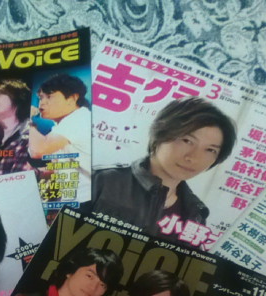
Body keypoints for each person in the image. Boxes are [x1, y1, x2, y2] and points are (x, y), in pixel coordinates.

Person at [87, 96, 236, 239]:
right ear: (160, 134)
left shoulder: (196, 213)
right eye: (186, 140)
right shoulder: (101, 180)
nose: (194, 158)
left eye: (210, 150)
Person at [29, 73, 92, 201]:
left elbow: (38, 151)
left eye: (49, 96)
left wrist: (27, 121)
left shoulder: (79, 119)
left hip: (87, 201)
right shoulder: (62, 127)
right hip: (75, 200)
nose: (42, 103)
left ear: (72, 98)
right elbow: (58, 170)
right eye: (41, 97)